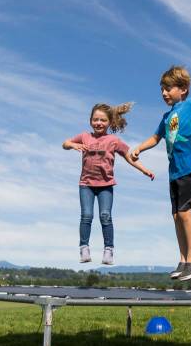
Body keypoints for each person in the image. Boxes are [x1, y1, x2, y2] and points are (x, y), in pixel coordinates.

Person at [128, 65, 191, 281]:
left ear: (183, 89)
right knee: (176, 216)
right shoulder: (166, 116)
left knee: (184, 212)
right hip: (175, 172)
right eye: (162, 89)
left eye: (168, 88)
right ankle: (183, 259)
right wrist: (139, 148)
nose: (164, 93)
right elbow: (155, 138)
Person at [63, 102, 154, 265]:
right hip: (86, 185)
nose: (98, 123)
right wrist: (72, 144)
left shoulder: (113, 140)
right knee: (86, 216)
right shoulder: (84, 136)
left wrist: (144, 170)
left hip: (106, 185)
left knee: (105, 216)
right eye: (95, 119)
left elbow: (129, 157)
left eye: (103, 120)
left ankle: (108, 250)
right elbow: (65, 143)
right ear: (90, 121)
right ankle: (84, 248)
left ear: (110, 123)